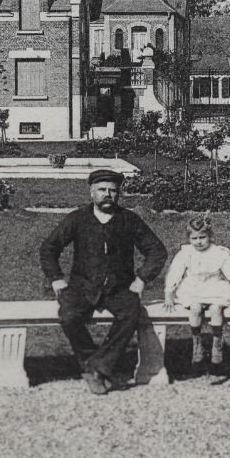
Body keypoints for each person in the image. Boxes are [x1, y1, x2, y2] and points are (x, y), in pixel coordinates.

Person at [39, 168, 169, 395]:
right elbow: (49, 248)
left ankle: (96, 368)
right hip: (82, 287)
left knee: (130, 313)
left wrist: (141, 279)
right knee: (68, 316)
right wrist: (56, 279)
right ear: (91, 192)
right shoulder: (78, 218)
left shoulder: (129, 219)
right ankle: (96, 364)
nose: (107, 194)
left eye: (113, 190)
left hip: (119, 288)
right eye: (102, 190)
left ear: (119, 194)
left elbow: (157, 250)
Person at [162, 213, 230, 371]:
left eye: (202, 237)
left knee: (216, 308)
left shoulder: (219, 253)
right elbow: (175, 272)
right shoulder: (186, 253)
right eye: (194, 238)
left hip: (215, 287)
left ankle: (217, 343)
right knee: (195, 308)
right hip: (193, 288)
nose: (198, 242)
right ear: (189, 239)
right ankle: (197, 343)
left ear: (210, 236)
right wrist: (169, 292)